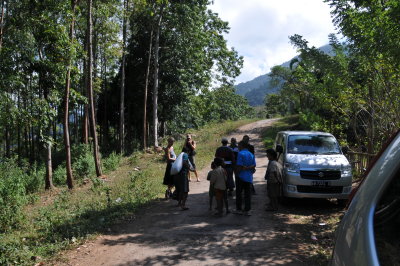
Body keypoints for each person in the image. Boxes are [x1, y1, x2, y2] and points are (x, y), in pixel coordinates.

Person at [234, 141, 256, 216]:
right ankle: (247, 210)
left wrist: (237, 173)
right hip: (249, 177)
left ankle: (239, 209)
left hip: (241, 176)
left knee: (239, 193)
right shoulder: (251, 154)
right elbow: (254, 165)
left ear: (242, 146)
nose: (238, 147)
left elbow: (239, 166)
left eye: (239, 146)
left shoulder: (240, 153)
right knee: (247, 194)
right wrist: (248, 168)